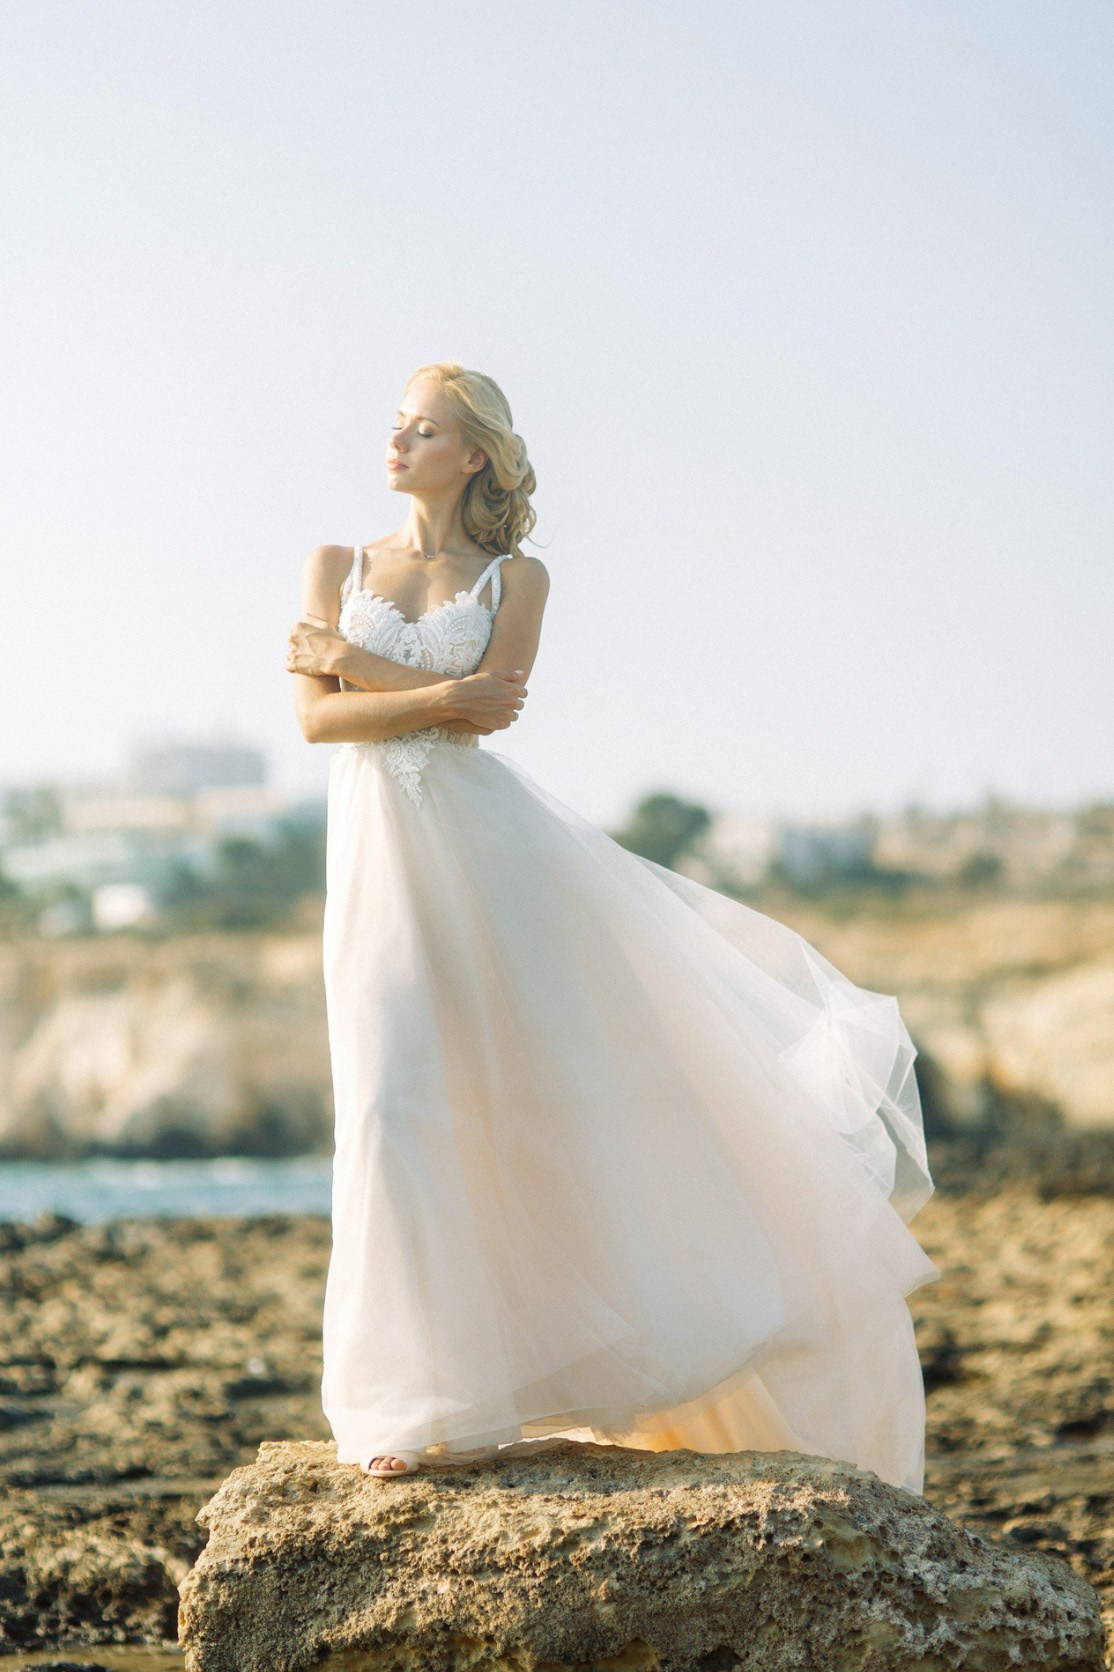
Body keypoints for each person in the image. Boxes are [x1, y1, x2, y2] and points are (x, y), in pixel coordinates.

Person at [286, 361, 939, 1493]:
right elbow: (316, 721)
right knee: (390, 1105)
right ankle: (403, 1401)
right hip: (381, 864)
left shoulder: (519, 577)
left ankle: (514, 1381)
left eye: (423, 429)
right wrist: (423, 692)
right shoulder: (336, 563)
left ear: (475, 454)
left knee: (523, 1106)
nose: (396, 442)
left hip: (493, 864)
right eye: (396, 424)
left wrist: (358, 666)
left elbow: (490, 713)